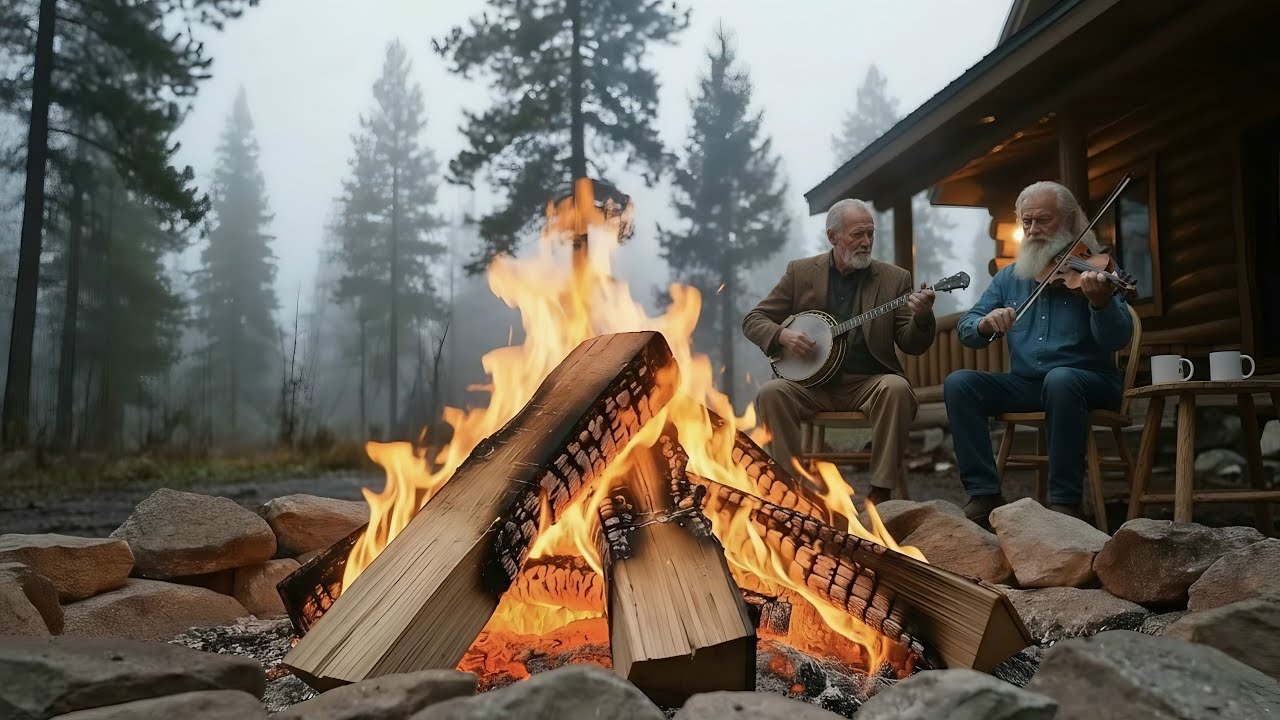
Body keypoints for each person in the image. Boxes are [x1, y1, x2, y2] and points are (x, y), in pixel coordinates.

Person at [944, 180, 1133, 526]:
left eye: (1042, 221)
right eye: (1026, 222)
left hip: (1090, 383)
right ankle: (984, 493)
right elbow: (967, 328)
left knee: (1061, 379)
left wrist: (1101, 303)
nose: (1033, 230)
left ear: (1072, 221)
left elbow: (1117, 338)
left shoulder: (1097, 269)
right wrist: (985, 324)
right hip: (1028, 385)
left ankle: (1065, 504)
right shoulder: (1009, 278)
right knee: (960, 383)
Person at [743, 198, 937, 503]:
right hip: (810, 386)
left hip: (868, 383)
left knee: (897, 388)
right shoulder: (801, 272)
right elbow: (754, 319)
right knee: (771, 393)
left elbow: (911, 343)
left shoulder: (894, 279)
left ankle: (881, 492)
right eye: (857, 234)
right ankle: (789, 490)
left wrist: (923, 318)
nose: (866, 242)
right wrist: (783, 336)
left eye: (870, 234)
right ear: (833, 237)